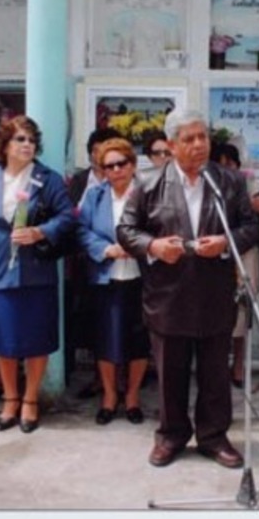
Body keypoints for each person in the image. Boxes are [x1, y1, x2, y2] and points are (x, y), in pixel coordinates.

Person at [117, 109, 259, 468]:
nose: (199, 145)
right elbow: (126, 229)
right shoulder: (148, 184)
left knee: (214, 373)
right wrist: (154, 247)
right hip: (169, 296)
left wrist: (225, 243)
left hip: (214, 295)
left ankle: (214, 437)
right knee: (171, 374)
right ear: (171, 144)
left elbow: (253, 227)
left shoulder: (228, 181)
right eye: (189, 139)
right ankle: (171, 436)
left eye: (203, 137)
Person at [0, 115, 75, 432]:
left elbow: (68, 216)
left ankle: (30, 399)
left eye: (31, 140)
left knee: (37, 337)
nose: (27, 145)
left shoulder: (47, 178)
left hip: (36, 271)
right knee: (5, 338)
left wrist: (40, 231)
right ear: (4, 145)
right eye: (20, 139)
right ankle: (10, 398)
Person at [77, 138, 149, 425]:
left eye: (122, 163)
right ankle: (109, 396)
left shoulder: (147, 194)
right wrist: (106, 250)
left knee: (138, 341)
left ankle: (132, 397)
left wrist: (138, 246)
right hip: (106, 276)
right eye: (110, 166)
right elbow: (81, 230)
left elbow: (160, 226)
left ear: (132, 165)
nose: (117, 170)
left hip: (141, 276)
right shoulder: (94, 195)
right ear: (102, 170)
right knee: (105, 340)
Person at [66, 127, 121, 398]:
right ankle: (98, 379)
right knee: (91, 324)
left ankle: (115, 382)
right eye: (97, 150)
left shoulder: (123, 181)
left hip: (120, 264)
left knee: (118, 325)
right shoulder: (78, 182)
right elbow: (71, 220)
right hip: (83, 264)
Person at [210, 142, 259, 388]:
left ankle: (239, 367)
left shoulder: (246, 183)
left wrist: (257, 202)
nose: (225, 169)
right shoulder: (206, 184)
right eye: (219, 164)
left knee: (243, 313)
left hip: (244, 254)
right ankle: (217, 366)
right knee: (217, 315)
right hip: (215, 255)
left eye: (230, 164)